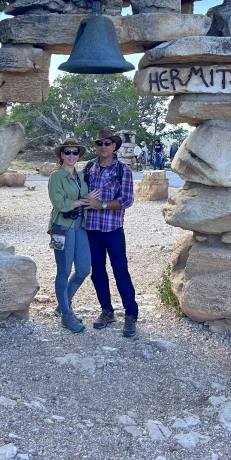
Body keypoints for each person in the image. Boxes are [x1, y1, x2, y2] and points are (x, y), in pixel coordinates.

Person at [83, 129, 138, 337]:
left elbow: (127, 200)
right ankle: (106, 310)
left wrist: (102, 204)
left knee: (120, 271)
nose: (103, 146)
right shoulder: (88, 168)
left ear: (114, 146)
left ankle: (131, 314)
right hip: (91, 229)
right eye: (99, 143)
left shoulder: (123, 170)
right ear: (96, 146)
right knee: (97, 272)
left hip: (112, 229)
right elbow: (81, 193)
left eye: (107, 143)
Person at [47, 138, 92, 333]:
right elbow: (59, 203)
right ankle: (66, 314)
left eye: (75, 152)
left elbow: (88, 197)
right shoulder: (56, 176)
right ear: (61, 155)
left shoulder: (81, 175)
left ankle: (63, 304)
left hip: (80, 225)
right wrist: (82, 201)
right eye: (68, 152)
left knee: (83, 268)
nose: (72, 156)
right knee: (64, 270)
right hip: (62, 226)